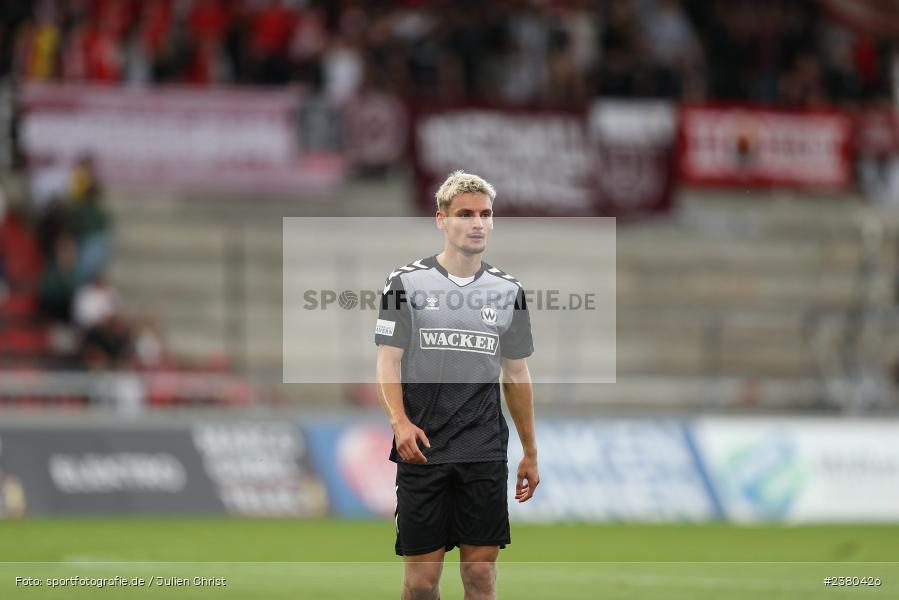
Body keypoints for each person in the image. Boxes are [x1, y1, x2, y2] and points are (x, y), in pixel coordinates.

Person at [375, 170, 539, 600]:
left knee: (481, 577)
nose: (478, 223)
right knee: (421, 583)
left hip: (483, 449)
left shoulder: (508, 291)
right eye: (465, 214)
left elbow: (516, 374)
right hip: (423, 449)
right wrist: (400, 424)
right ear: (441, 219)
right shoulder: (405, 283)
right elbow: (387, 363)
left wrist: (530, 451)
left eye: (485, 214)